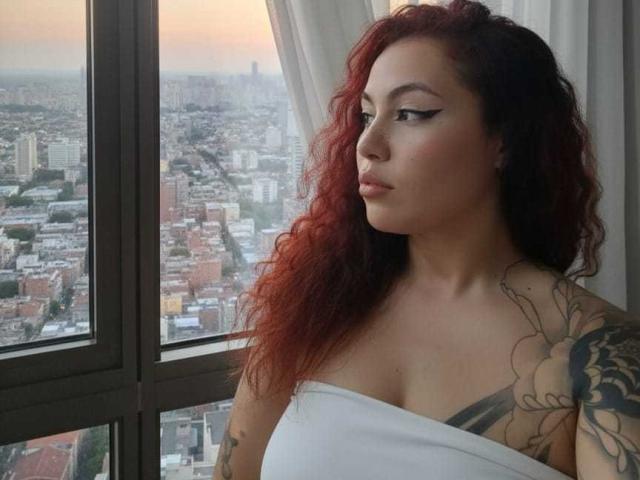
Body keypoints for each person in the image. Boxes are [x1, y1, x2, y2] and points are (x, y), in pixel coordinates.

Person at [213, 1, 640, 479]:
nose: (367, 144)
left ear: (505, 141)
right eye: (366, 114)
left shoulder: (600, 354)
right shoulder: (313, 306)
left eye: (411, 113)